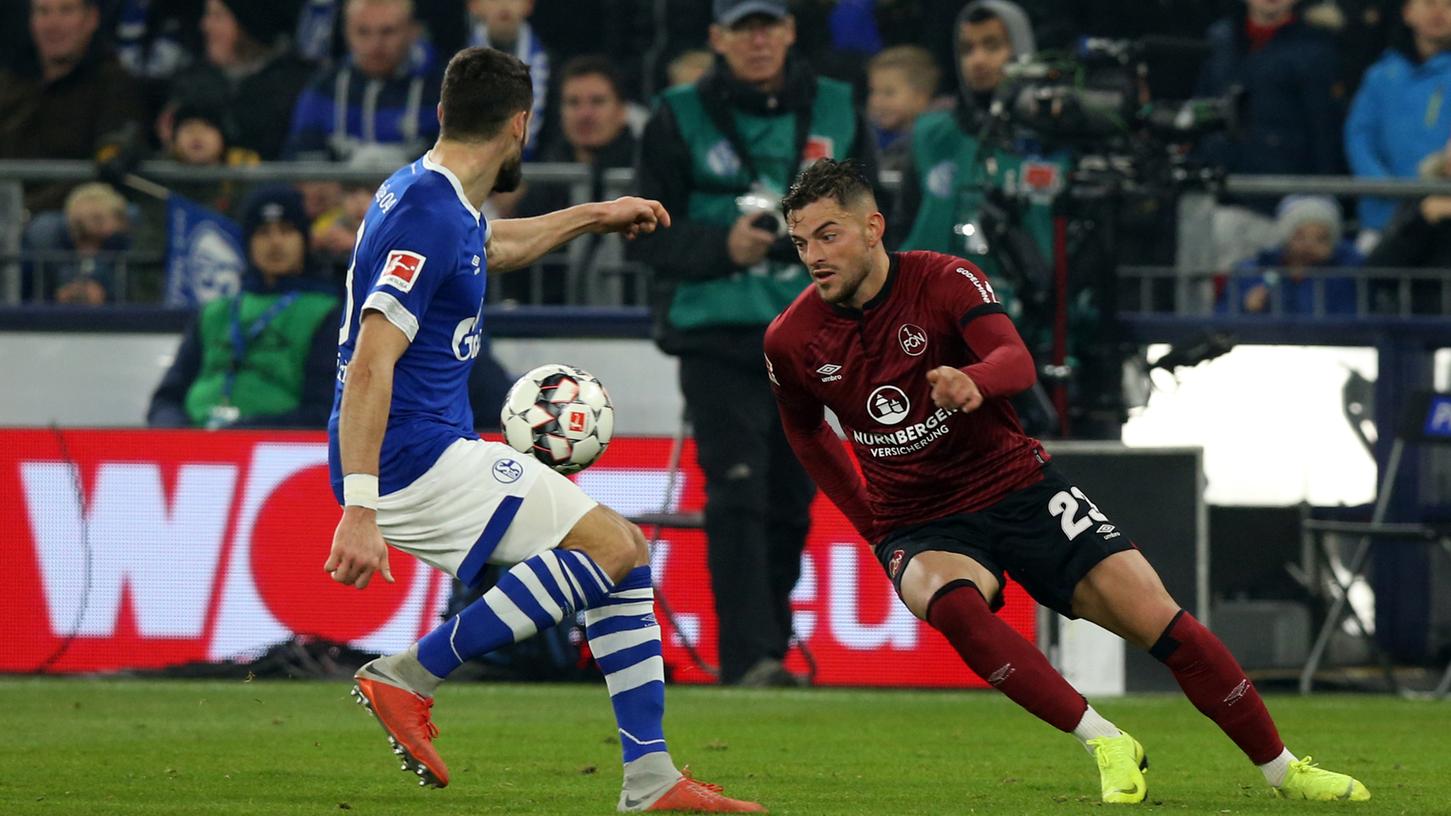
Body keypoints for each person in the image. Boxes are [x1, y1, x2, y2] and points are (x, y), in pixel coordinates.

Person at [763, 158, 1371, 805]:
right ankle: (1103, 739)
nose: (813, 256)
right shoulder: (790, 339)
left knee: (1160, 623)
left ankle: (1283, 770)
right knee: (951, 605)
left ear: (872, 226)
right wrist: (873, 524)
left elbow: (1015, 360)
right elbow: (805, 433)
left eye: (828, 235)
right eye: (801, 242)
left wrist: (976, 380)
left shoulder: (944, 279)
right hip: (919, 520)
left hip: (1015, 485)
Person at [322, 46, 762, 813]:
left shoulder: (434, 199)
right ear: (520, 124)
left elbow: (492, 249)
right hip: (409, 457)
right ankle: (408, 674)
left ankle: (651, 779)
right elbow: (370, 360)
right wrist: (359, 507)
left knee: (623, 563)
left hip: (417, 448)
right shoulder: (427, 213)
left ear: (442, 115)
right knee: (616, 546)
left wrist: (596, 214)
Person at [629, 0, 878, 688]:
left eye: (768, 24)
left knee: (790, 498)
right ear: (716, 38)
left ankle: (767, 643)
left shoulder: (836, 107)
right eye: (742, 27)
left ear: (792, 32)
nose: (758, 39)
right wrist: (722, 247)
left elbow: (882, 214)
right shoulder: (676, 114)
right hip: (718, 334)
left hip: (811, 335)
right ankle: (750, 657)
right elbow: (645, 231)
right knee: (737, 492)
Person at [148, 186, 341, 429]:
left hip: (271, 452)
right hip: (193, 444)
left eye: (287, 231)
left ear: (305, 240)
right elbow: (166, 399)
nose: (275, 242)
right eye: (263, 232)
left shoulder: (326, 313)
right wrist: (174, 432)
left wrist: (243, 433)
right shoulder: (214, 312)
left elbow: (322, 410)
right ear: (248, 242)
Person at [500, 54, 638, 303]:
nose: (585, 114)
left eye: (597, 102)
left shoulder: (644, 171)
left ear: (622, 111)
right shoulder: (544, 181)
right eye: (573, 103)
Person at [0, 0, 145, 212]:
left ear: (91, 18)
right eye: (43, 12)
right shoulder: (9, 84)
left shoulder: (114, 84)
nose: (53, 24)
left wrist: (26, 211)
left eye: (66, 11)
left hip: (69, 218)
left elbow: (109, 161)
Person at [285, 0, 440, 166]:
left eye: (387, 32)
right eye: (363, 32)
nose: (375, 44)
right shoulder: (323, 88)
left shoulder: (442, 89)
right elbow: (305, 162)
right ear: (346, 33)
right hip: (342, 191)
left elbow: (451, 166)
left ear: (413, 32)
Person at [1345, 0, 1451, 239]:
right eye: (1429, 3)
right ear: (1407, 13)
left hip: (1443, 219)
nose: (1438, 12)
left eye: (1448, 5)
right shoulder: (1381, 74)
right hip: (1381, 219)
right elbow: (1359, 136)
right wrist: (1381, 184)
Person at [166, 0, 314, 162]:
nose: (205, 25)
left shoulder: (296, 84)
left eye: (218, 16)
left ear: (248, 23)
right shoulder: (190, 81)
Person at [1219, 195, 1363, 316]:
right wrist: (1244, 306)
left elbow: (1354, 319)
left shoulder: (1346, 275)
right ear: (1286, 237)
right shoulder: (1252, 271)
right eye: (1300, 237)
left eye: (1321, 239)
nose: (1309, 246)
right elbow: (1220, 316)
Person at [20, 181, 132, 304]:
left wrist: (105, 292)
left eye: (98, 219)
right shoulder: (42, 241)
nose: (88, 227)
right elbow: (26, 295)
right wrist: (56, 296)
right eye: (78, 223)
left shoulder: (122, 244)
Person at [467, 0, 551, 158]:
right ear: (474, 5)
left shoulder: (550, 66)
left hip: (536, 175)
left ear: (529, 4)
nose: (503, 4)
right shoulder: (452, 69)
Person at [865, 45, 941, 174]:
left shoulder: (934, 143)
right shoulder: (865, 139)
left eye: (888, 93)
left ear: (920, 97)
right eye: (873, 91)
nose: (876, 102)